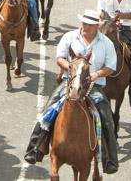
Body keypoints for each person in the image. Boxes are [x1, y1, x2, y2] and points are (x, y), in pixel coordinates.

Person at [24, 9, 118, 174]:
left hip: (92, 85)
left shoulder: (106, 43)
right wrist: (74, 69)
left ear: (97, 26)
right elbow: (60, 58)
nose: (85, 27)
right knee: (49, 108)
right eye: (84, 23)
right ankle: (34, 148)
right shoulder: (69, 37)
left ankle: (110, 159)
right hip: (70, 82)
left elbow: (111, 66)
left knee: (106, 117)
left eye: (89, 24)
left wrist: (95, 74)